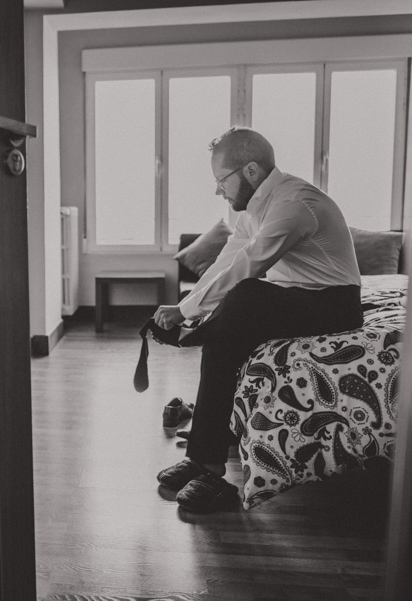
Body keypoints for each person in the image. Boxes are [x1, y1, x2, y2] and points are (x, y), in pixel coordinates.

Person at [152, 126, 364, 513]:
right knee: (225, 337)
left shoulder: (295, 203)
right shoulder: (254, 209)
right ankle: (206, 461)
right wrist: (187, 305)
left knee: (245, 296)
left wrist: (185, 313)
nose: (219, 190)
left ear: (250, 171)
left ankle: (207, 461)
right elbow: (227, 260)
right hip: (294, 298)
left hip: (332, 305)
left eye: (221, 180)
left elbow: (249, 267)